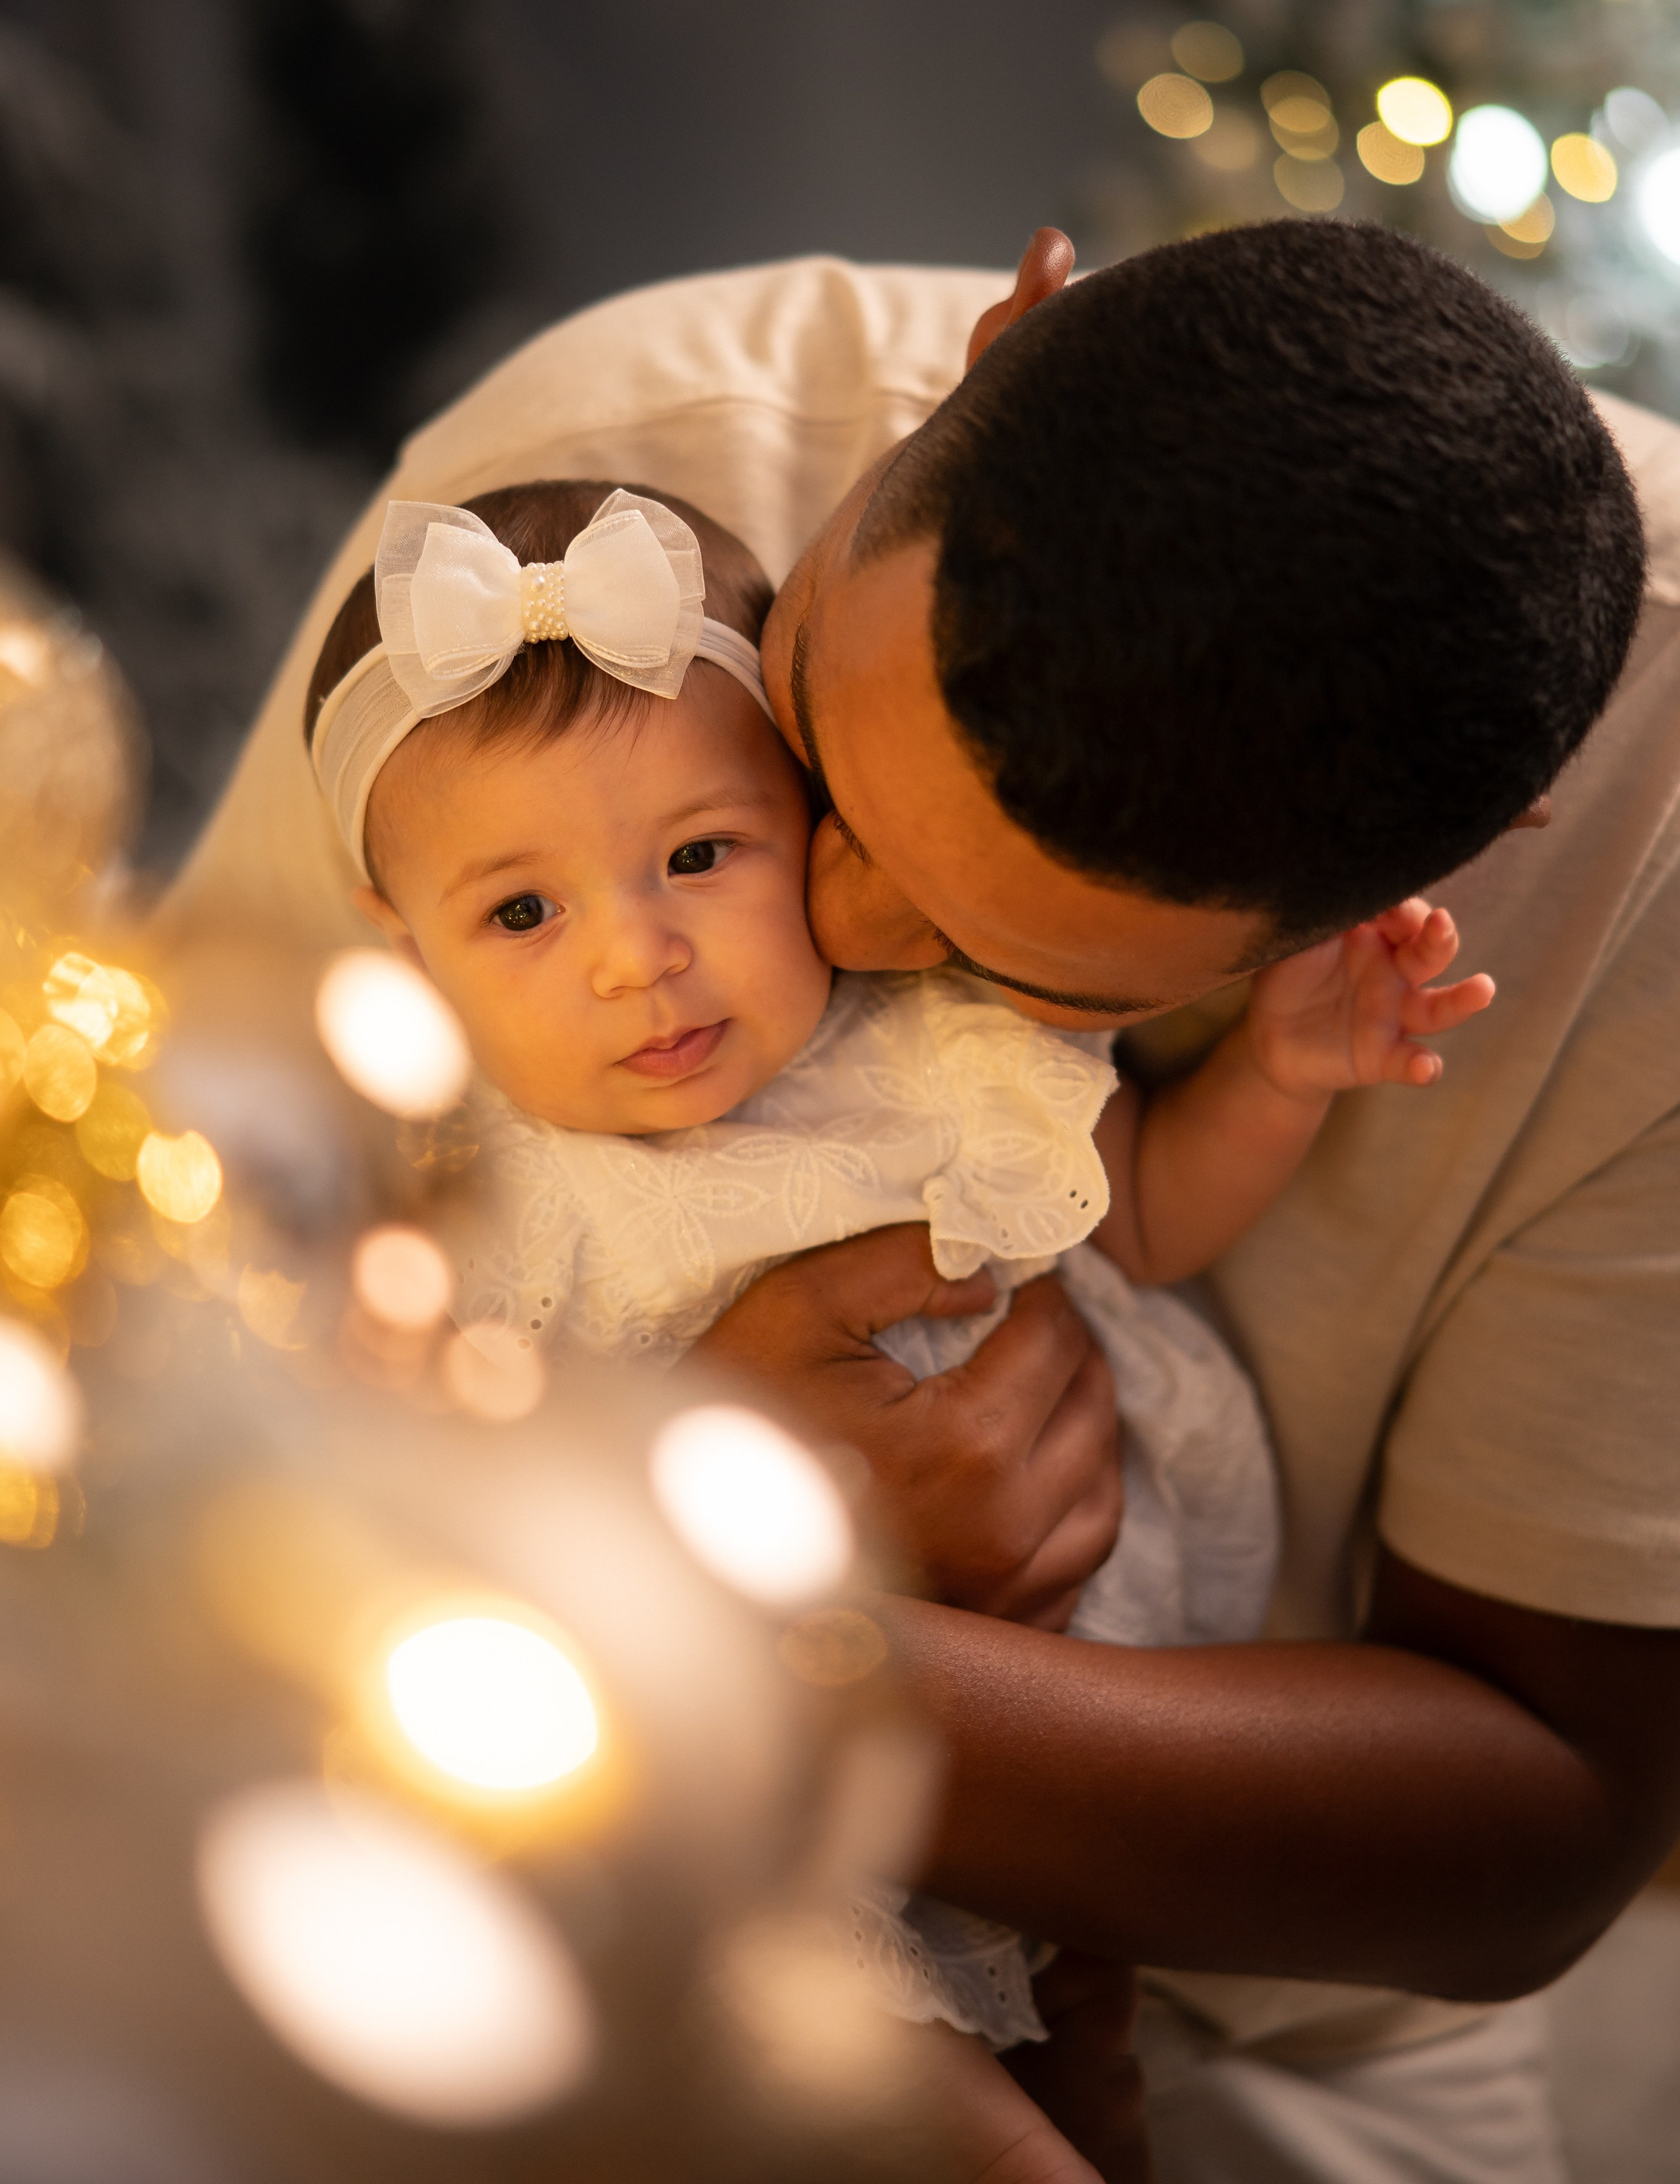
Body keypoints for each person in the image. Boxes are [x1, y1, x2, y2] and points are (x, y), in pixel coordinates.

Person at [165, 219, 1680, 2181]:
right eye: (814, 755)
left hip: (1303, 1959)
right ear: (1000, 343)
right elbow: (164, 1365)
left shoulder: (1649, 848)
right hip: (568, 1786)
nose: (837, 926)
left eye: (1024, 963)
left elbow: (1538, 1831)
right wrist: (650, 1538)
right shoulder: (566, 537)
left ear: (1444, 863)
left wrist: (757, 1628)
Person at [299, 465, 1488, 2180]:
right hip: (748, 1800)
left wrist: (1284, 1073)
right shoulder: (452, 1195)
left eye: (700, 857)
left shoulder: (929, 1044)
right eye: (522, 912)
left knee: (1093, 2051)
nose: (637, 956)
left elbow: (1138, 1212)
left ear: (820, 832)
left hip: (1070, 1746)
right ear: (406, 962)